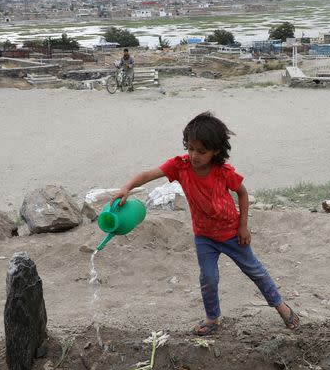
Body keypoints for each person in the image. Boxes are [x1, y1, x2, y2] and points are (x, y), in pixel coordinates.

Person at [109, 111, 299, 335]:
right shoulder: (180, 166)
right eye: (190, 148)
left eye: (201, 151)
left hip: (232, 234)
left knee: (255, 271)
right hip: (204, 236)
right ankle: (212, 318)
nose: (194, 155)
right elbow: (146, 174)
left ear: (216, 151)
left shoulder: (223, 173)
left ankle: (282, 307)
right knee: (208, 278)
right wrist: (126, 188)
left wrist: (243, 226)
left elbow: (243, 193)